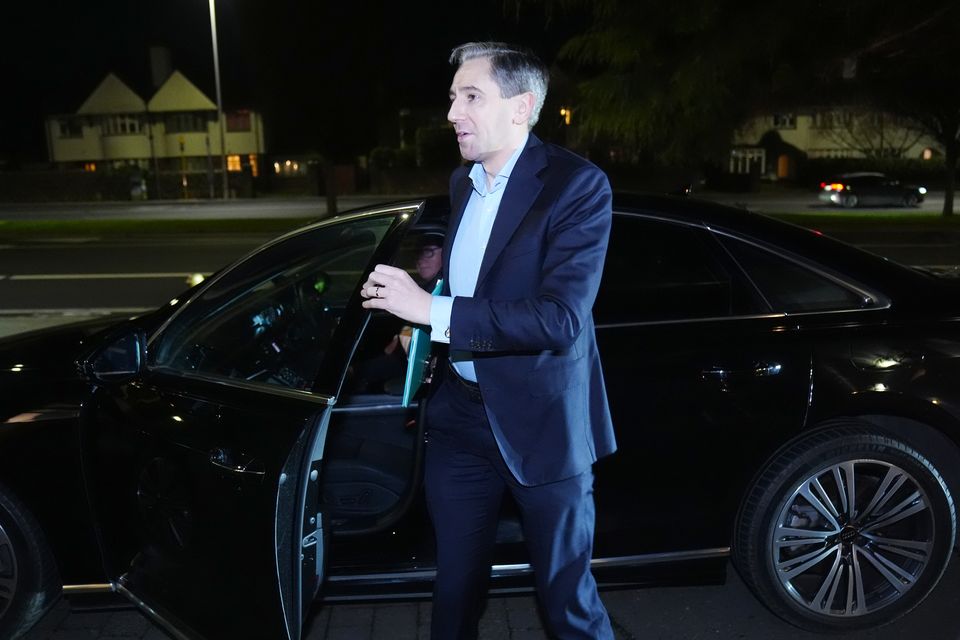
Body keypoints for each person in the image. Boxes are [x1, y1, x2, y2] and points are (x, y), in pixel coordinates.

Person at [360, 41, 616, 639]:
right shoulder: (461, 182)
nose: (453, 112)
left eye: (471, 96)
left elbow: (559, 319)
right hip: (459, 420)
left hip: (542, 423)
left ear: (521, 107)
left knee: (566, 601)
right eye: (453, 96)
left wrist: (433, 309)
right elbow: (477, 278)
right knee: (453, 589)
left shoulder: (576, 186)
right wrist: (421, 313)